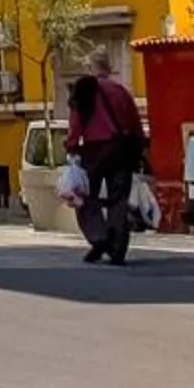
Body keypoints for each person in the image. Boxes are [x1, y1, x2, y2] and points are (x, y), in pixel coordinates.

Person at [65, 51, 148, 265]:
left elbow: (75, 122)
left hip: (93, 151)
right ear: (108, 69)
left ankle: (98, 237)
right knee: (118, 199)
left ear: (91, 68)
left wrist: (72, 146)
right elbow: (135, 123)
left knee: (84, 196)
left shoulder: (84, 89)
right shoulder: (121, 91)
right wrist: (139, 149)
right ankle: (117, 248)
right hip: (120, 151)